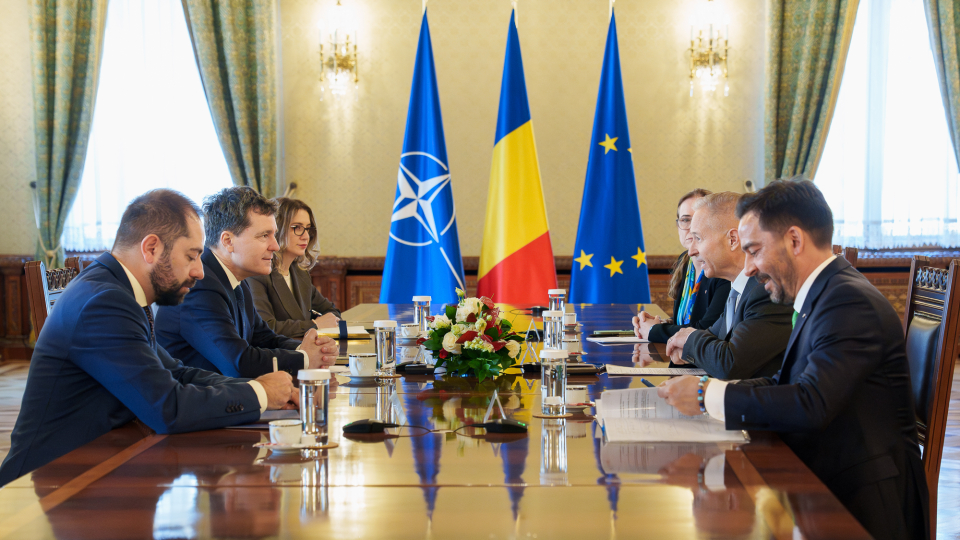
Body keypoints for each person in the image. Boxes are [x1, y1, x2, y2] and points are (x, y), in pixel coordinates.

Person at [658, 179, 928, 540]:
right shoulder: (824, 292)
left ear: (794, 241)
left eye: (755, 250)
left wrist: (707, 394)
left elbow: (810, 402)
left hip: (861, 500)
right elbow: (787, 383)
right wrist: (707, 393)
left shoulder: (848, 302)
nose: (749, 268)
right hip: (828, 477)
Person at [0, 189, 300, 486]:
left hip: (100, 466)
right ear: (152, 248)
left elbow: (176, 372)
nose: (199, 271)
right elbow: (167, 408)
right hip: (50, 484)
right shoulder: (104, 302)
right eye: (191, 256)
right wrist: (260, 394)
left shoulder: (119, 291)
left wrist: (261, 388)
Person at [156, 187, 339, 378]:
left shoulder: (236, 280)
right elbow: (239, 364)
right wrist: (305, 358)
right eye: (264, 235)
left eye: (274, 235)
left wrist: (314, 349)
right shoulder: (199, 285)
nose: (275, 246)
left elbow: (263, 338)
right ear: (228, 241)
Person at [664, 192, 794, 379]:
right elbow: (713, 335)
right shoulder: (738, 289)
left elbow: (730, 363)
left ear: (732, 240)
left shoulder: (766, 289)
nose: (691, 251)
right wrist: (686, 344)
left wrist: (689, 340)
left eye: (698, 238)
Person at [634, 189, 730, 343]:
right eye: (685, 220)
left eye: (698, 219)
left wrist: (655, 330)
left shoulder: (722, 268)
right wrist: (658, 323)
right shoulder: (684, 261)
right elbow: (687, 321)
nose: (691, 228)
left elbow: (707, 328)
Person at [247, 198, 341, 339]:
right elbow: (267, 327)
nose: (306, 236)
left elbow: (332, 311)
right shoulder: (257, 274)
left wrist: (321, 320)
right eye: (297, 228)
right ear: (277, 229)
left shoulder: (300, 273)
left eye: (307, 229)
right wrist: (314, 324)